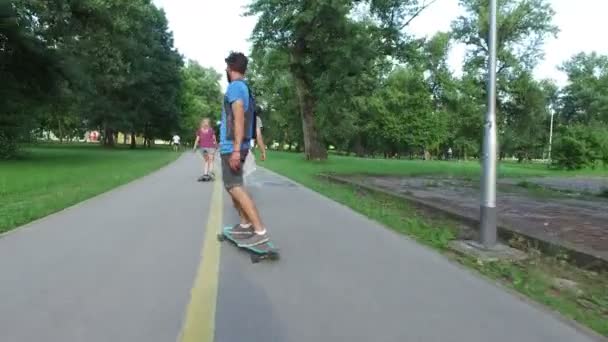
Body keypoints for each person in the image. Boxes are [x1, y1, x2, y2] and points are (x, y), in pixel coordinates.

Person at [220, 51, 269, 247]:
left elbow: (239, 118)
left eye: (226, 67)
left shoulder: (235, 88)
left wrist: (236, 149)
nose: (225, 70)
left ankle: (259, 230)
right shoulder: (242, 87)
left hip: (233, 146)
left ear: (231, 68)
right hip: (235, 145)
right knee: (232, 186)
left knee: (235, 187)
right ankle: (245, 223)